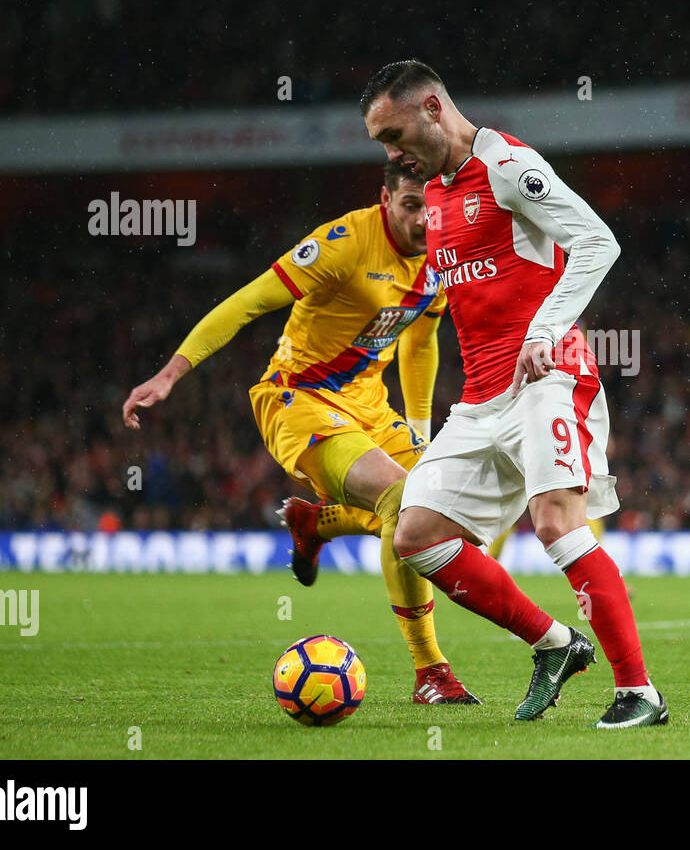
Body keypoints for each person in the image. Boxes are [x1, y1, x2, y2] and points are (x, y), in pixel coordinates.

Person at [361, 59, 667, 728]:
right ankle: (555, 645)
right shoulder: (433, 194)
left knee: (556, 521)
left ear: (433, 109)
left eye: (393, 133)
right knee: (416, 535)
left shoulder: (506, 165)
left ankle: (639, 693)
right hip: (481, 399)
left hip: (547, 375)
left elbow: (595, 240)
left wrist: (547, 329)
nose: (389, 153)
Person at [121, 163, 479, 703]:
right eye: (410, 205)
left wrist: (421, 430)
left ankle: (317, 523)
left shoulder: (443, 257)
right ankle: (431, 672)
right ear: (385, 198)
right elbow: (250, 301)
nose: (424, 221)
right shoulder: (343, 243)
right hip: (300, 399)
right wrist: (172, 372)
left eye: (432, 208)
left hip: (373, 408)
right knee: (402, 498)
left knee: (452, 520)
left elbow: (422, 340)